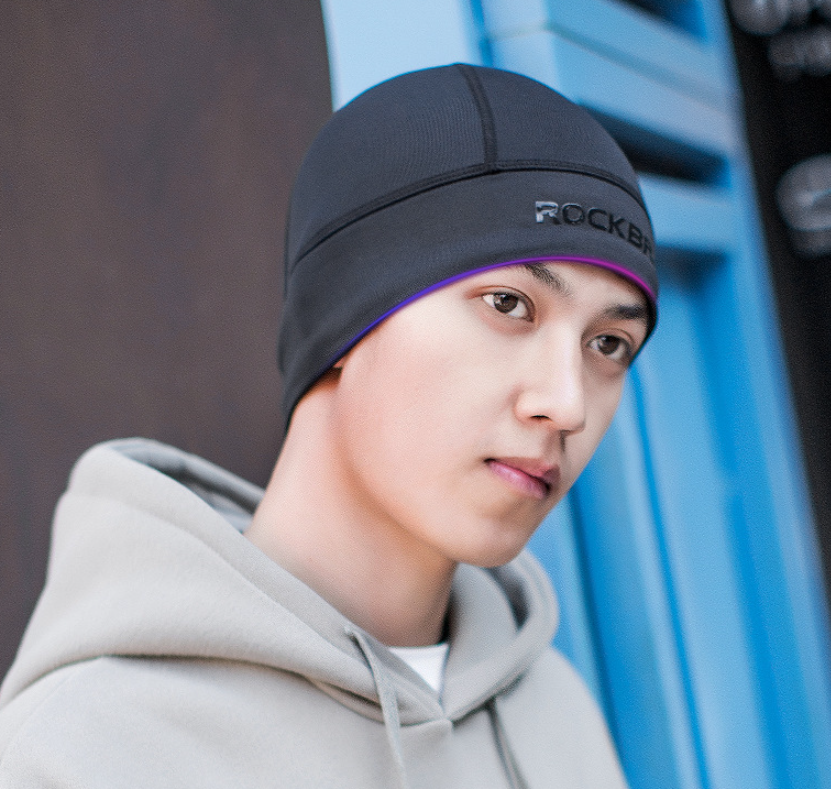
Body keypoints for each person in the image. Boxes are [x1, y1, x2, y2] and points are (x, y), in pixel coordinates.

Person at [0, 64, 657, 788]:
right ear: (348, 310)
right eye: (508, 304)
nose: (566, 403)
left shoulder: (555, 709)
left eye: (608, 344)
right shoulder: (81, 752)